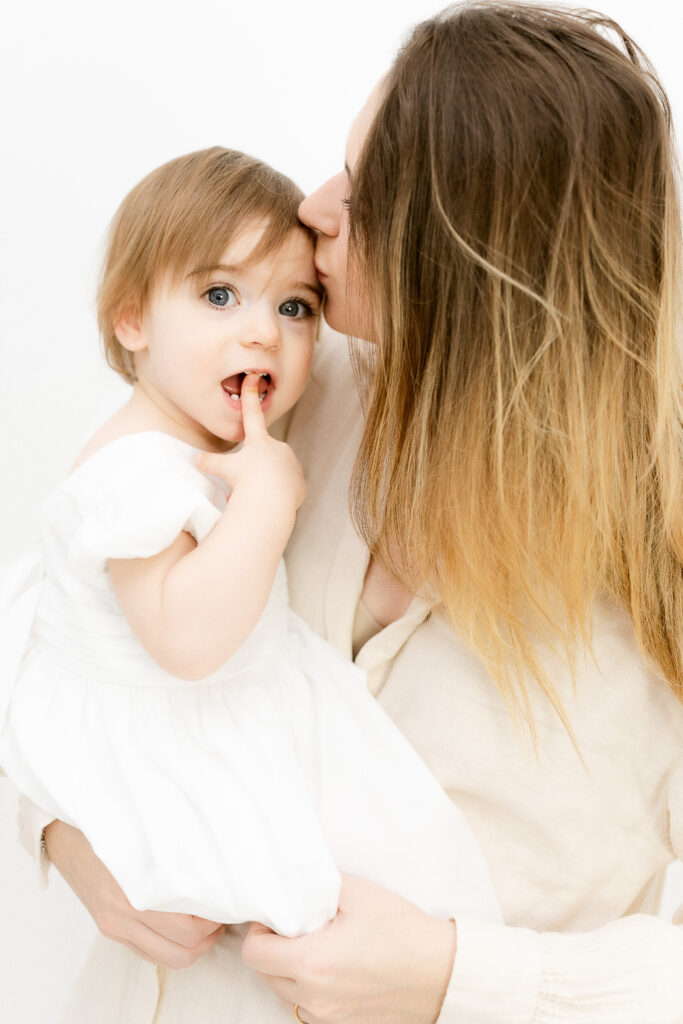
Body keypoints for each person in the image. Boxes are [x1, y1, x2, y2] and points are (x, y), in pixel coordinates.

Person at [15, 3, 683, 1023]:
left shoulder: (659, 542)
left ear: (478, 263)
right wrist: (67, 831)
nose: (315, 209)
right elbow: (59, 616)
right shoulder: (279, 392)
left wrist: (455, 978)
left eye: (366, 196)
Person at [0, 145, 501, 952]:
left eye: (296, 307)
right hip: (178, 735)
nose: (262, 332)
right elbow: (188, 642)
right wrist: (267, 503)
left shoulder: (191, 435)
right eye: (220, 295)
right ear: (131, 319)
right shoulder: (138, 473)